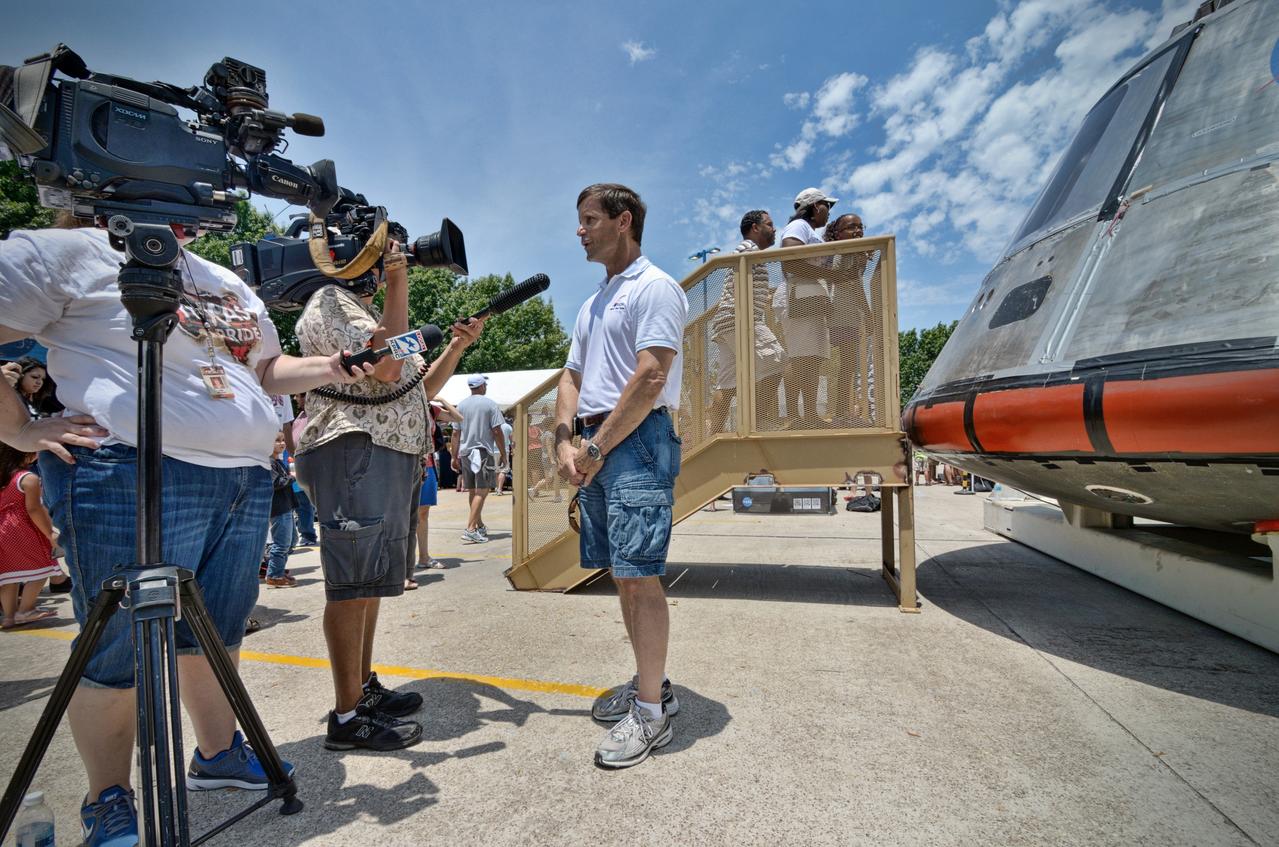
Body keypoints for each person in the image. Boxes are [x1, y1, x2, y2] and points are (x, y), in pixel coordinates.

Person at [0, 220, 377, 847]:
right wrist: (18, 429)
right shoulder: (68, 249)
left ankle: (218, 755)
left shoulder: (226, 279)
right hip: (127, 466)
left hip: (241, 478)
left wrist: (335, 365)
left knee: (218, 630)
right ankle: (109, 798)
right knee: (116, 647)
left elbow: (265, 369)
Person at [294, 237, 484, 752]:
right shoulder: (329, 303)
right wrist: (400, 278)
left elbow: (414, 383)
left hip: (384, 450)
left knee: (370, 583)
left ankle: (362, 689)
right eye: (382, 261)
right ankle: (347, 714)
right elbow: (387, 368)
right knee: (352, 584)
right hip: (355, 448)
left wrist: (457, 346)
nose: (386, 270)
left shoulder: (365, 310)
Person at [556, 183, 687, 769]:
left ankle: (652, 711)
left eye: (589, 220)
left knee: (640, 577)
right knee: (624, 574)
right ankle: (649, 686)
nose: (579, 231)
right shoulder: (595, 301)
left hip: (634, 442)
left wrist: (596, 448)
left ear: (623, 221)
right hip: (600, 444)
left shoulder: (654, 287)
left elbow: (651, 378)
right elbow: (570, 376)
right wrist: (565, 442)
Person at [706, 210, 784, 432]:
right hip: (741, 319)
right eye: (769, 224)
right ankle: (757, 421)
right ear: (755, 228)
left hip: (727, 321)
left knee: (728, 383)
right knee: (777, 361)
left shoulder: (749, 253)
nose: (774, 229)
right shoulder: (749, 250)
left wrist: (763, 297)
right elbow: (740, 283)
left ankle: (715, 433)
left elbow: (741, 285)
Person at [776, 187, 838, 424]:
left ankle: (810, 414)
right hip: (799, 295)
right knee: (800, 357)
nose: (829, 211)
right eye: (827, 205)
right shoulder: (798, 226)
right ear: (814, 207)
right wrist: (832, 275)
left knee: (812, 358)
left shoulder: (810, 231)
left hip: (809, 296)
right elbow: (790, 261)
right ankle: (793, 415)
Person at [0, 444, 60, 628]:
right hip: (22, 530)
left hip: (2, 530)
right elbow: (34, 509)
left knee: (9, 577)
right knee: (43, 568)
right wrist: (49, 533)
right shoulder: (28, 478)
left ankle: (9, 616)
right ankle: (26, 609)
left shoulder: (3, 479)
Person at [823, 213, 874, 424]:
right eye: (851, 227)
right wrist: (868, 313)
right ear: (838, 233)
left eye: (860, 227)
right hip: (839, 314)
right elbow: (851, 282)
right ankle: (840, 414)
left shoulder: (853, 253)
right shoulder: (843, 253)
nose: (858, 231)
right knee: (844, 365)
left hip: (848, 315)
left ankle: (841, 412)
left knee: (847, 365)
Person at [450, 375, 506, 544]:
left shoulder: (461, 405)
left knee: (474, 491)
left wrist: (454, 456)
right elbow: (497, 431)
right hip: (482, 452)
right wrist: (503, 453)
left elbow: (455, 433)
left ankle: (478, 524)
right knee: (482, 491)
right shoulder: (490, 404)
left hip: (466, 453)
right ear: (482, 386)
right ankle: (471, 529)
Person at [414, 398, 460, 574]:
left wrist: (441, 400)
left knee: (423, 513)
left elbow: (458, 418)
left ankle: (424, 557)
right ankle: (400, 561)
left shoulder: (431, 408)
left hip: (428, 464)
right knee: (404, 515)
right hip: (406, 464)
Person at [263, 431, 298, 588]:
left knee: (291, 541)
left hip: (287, 507)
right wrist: (292, 477)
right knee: (282, 543)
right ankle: (274, 575)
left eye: (283, 440)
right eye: (277, 440)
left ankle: (276, 568)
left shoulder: (278, 462)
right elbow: (276, 483)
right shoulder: (269, 463)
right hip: (279, 509)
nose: (282, 443)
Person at [288, 393, 317, 546]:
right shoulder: (299, 416)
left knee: (306, 504)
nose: (295, 399)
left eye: (298, 396)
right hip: (297, 466)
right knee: (300, 504)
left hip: (314, 465)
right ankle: (304, 533)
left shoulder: (315, 414)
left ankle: (308, 535)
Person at [494, 414, 515, 495]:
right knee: (503, 470)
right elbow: (512, 441)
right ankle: (499, 489)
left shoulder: (493, 426)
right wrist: (513, 450)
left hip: (494, 450)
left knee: (497, 470)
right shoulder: (508, 427)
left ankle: (497, 488)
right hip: (504, 450)